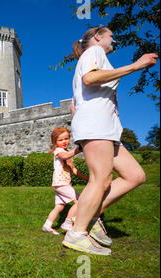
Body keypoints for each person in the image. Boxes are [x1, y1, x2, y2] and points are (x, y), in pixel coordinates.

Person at [62, 26, 158, 255]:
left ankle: (90, 216)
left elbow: (75, 104)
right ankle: (77, 233)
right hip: (97, 125)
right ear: (97, 37)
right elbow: (90, 78)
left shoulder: (98, 56)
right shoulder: (94, 53)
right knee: (101, 179)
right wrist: (136, 66)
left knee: (135, 176)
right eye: (111, 36)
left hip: (105, 127)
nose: (113, 39)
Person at [42, 127, 89, 235]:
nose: (64, 142)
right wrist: (79, 149)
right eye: (60, 140)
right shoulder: (58, 151)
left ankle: (47, 225)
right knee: (80, 201)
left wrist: (88, 179)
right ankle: (67, 223)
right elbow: (65, 155)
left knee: (59, 206)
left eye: (66, 138)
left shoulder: (67, 152)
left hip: (60, 184)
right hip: (61, 183)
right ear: (55, 142)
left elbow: (73, 170)